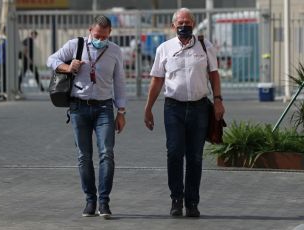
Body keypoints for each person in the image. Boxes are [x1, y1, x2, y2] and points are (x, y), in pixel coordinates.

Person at [144, 8, 225, 218]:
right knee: (174, 153)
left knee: (195, 157)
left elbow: (214, 75)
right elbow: (157, 80)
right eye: (180, 22)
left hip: (199, 108)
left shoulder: (205, 46)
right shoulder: (164, 48)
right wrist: (148, 108)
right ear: (173, 26)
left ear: (194, 24)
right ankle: (176, 199)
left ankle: (192, 202)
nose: (184, 25)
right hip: (173, 108)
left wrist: (218, 100)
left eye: (188, 21)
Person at [47, 15, 126, 219]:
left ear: (110, 33)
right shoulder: (77, 45)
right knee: (84, 156)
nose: (99, 38)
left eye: (104, 35)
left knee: (106, 153)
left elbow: (119, 83)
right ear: (90, 30)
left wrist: (122, 112)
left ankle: (104, 202)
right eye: (97, 34)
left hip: (104, 108)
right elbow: (52, 59)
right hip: (79, 108)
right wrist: (68, 67)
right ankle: (90, 200)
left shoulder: (115, 51)